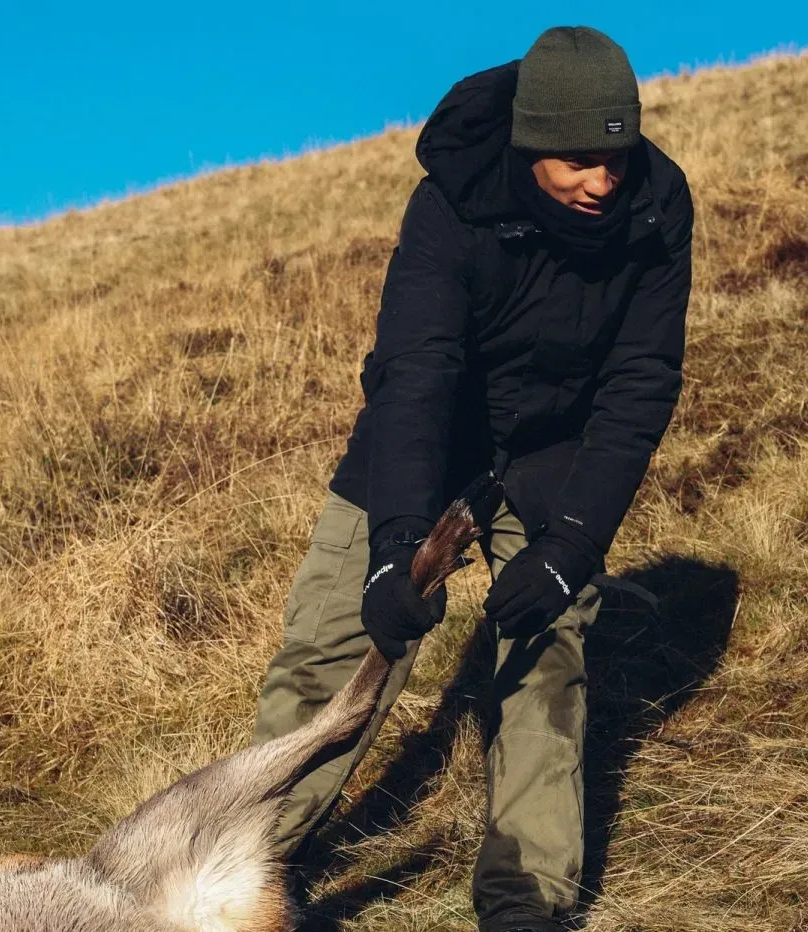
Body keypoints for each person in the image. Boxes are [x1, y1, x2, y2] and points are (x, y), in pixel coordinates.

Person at [254, 25, 694, 932]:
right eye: (577, 159)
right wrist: (391, 548)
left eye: (615, 153)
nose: (602, 180)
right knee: (332, 654)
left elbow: (641, 381)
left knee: (547, 657)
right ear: (532, 141)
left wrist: (570, 546)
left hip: (549, 457)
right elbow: (418, 371)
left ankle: (525, 899)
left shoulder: (658, 207)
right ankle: (243, 868)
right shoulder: (451, 202)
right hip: (424, 440)